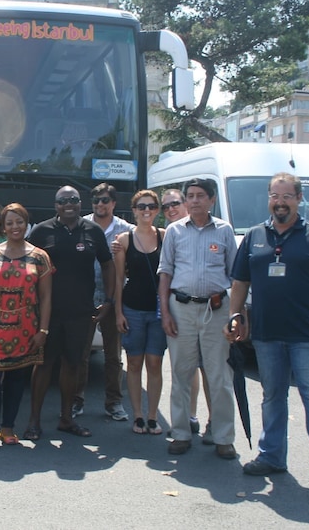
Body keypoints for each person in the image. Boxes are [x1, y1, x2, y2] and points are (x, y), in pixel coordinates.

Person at [227, 172, 309, 486]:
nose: (280, 202)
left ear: (299, 199)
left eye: (287, 196)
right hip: (267, 333)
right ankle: (271, 456)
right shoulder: (255, 235)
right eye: (275, 195)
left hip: (307, 335)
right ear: (269, 198)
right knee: (272, 397)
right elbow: (240, 282)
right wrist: (235, 315)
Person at [23, 186, 114, 440]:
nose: (69, 204)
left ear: (80, 203)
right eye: (63, 201)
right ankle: (33, 421)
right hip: (48, 313)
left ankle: (66, 419)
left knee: (73, 364)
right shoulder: (42, 230)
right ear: (56, 205)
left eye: (73, 200)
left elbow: (108, 264)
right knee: (43, 365)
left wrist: (108, 299)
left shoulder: (93, 231)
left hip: (81, 312)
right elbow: (25, 262)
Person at [157, 178, 238, 459]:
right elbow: (165, 272)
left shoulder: (225, 231)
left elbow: (235, 277)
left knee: (219, 375)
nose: (194, 201)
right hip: (181, 309)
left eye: (200, 196)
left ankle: (223, 436)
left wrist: (237, 315)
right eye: (189, 196)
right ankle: (180, 433)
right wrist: (165, 313)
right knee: (181, 373)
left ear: (211, 200)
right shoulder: (175, 231)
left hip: (216, 310)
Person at [0, 203, 52, 447]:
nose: (15, 227)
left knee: (16, 381)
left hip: (25, 328)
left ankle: (8, 428)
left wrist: (43, 330)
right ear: (3, 227)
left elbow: (46, 297)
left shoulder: (40, 257)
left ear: (27, 224)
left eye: (20, 222)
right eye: (10, 223)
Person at [77, 182, 133, 421]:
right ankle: (75, 401)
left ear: (113, 203)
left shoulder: (126, 231)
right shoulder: (81, 226)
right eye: (96, 201)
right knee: (80, 355)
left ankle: (114, 403)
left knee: (113, 356)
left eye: (105, 200)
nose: (101, 204)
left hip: (114, 299)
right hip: (84, 298)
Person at [114, 190, 167, 435]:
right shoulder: (124, 240)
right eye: (141, 206)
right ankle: (137, 415)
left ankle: (153, 416)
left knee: (154, 362)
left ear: (157, 210)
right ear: (134, 211)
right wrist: (118, 313)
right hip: (132, 309)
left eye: (152, 206)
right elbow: (117, 280)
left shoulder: (166, 237)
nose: (147, 210)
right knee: (134, 363)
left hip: (158, 311)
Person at [162, 188, 212, 440]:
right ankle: (188, 418)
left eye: (175, 203)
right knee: (184, 369)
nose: (170, 209)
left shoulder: (216, 230)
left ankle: (214, 423)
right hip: (178, 309)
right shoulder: (166, 233)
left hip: (210, 311)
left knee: (211, 370)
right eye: (165, 206)